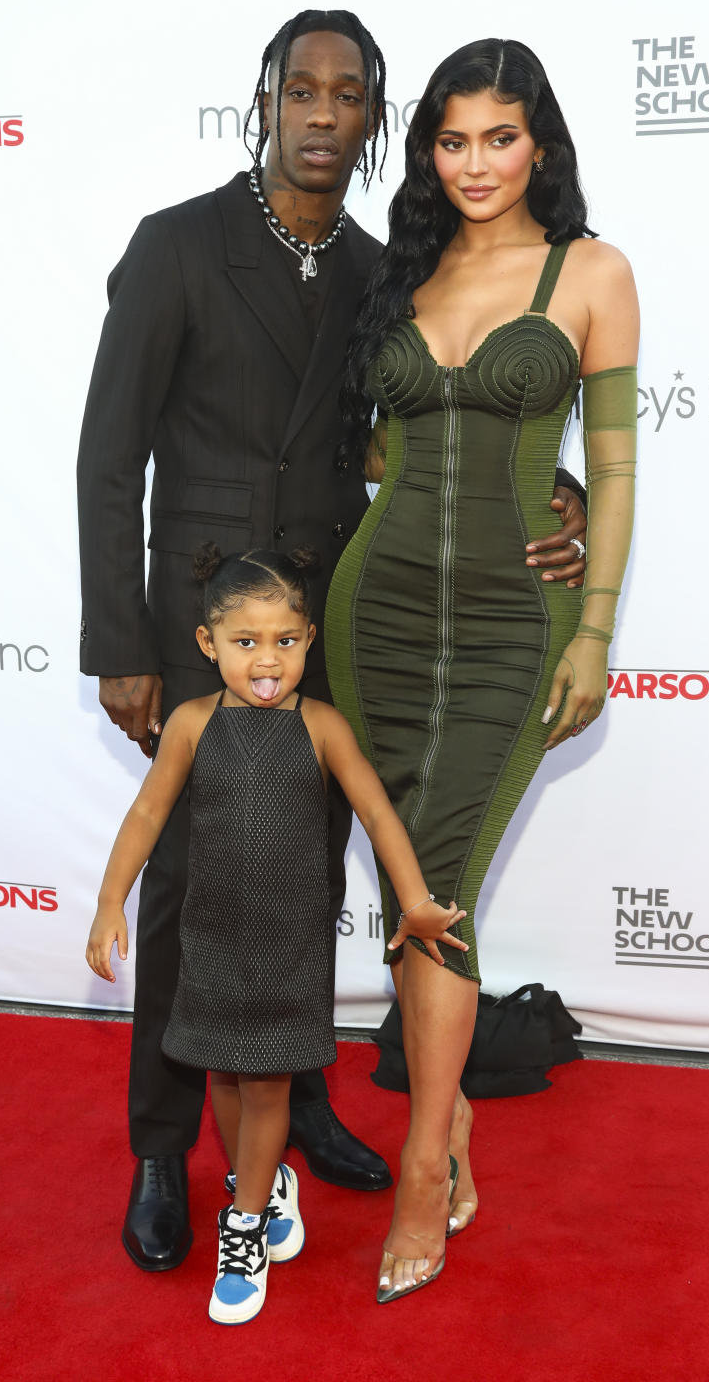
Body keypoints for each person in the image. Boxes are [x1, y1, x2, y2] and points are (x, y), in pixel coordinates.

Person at [76, 10, 588, 1272]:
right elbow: (107, 457)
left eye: (346, 94)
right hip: (201, 624)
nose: (319, 112)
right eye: (298, 89)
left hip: (328, 625)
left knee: (305, 881)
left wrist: (557, 497)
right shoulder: (177, 246)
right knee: (194, 888)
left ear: (373, 123)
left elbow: (412, 442)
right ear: (265, 101)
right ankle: (161, 1149)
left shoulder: (377, 271)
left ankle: (300, 1110)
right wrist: (122, 641)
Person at [326, 37, 638, 1301]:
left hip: (518, 623)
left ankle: (419, 1174)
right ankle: (446, 1137)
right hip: (375, 611)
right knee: (417, 882)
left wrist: (598, 628)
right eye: (452, 140)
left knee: (437, 878)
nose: (474, 163)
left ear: (540, 145)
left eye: (498, 138)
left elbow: (613, 469)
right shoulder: (401, 272)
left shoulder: (593, 272)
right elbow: (373, 453)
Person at [85, 546, 468, 1323]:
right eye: (246, 642)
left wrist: (416, 902)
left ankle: (246, 1224)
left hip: (289, 946)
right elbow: (147, 817)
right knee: (222, 1075)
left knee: (264, 1083)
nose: (267, 661)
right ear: (208, 644)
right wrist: (108, 901)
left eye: (285, 642)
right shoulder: (192, 726)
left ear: (307, 640)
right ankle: (263, 1184)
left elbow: (377, 814)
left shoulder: (322, 727)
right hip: (212, 938)